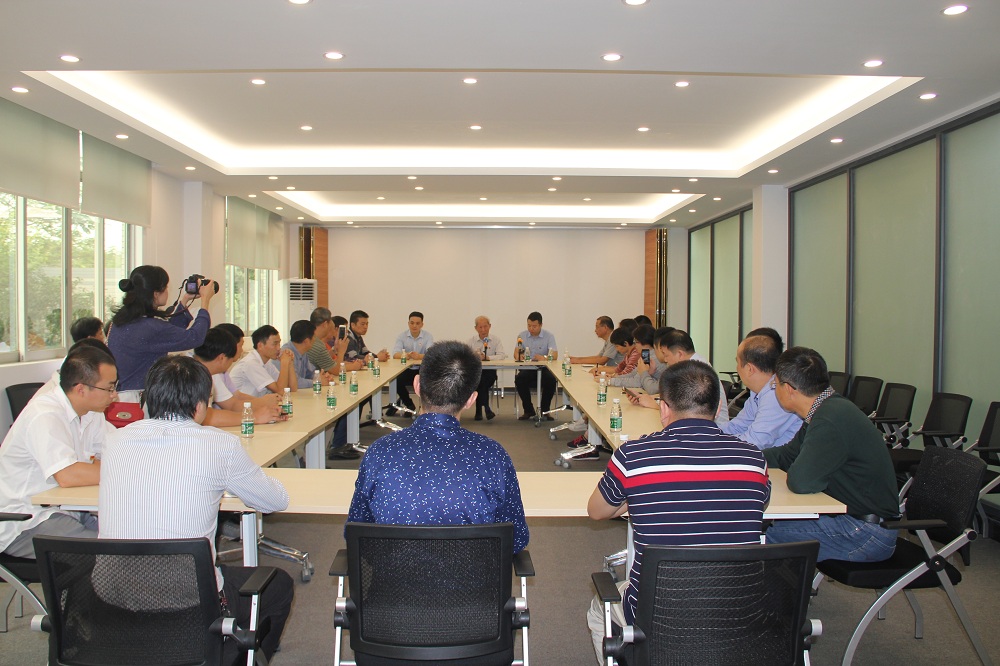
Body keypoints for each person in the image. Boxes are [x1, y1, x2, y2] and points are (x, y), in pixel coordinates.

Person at [98, 355, 293, 663]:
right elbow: (274, 501)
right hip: (189, 599)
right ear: (201, 406)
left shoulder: (115, 442)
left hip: (112, 595)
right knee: (278, 584)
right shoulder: (219, 445)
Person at [585, 360, 770, 665]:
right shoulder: (753, 458)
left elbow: (597, 511)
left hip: (657, 611)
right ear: (717, 407)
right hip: (738, 608)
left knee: (597, 610)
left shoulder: (634, 456)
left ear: (663, 408)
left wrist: (635, 497)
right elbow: (759, 503)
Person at [347, 341, 528, 553]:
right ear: (471, 400)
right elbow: (516, 539)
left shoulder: (380, 452)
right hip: (471, 574)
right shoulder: (492, 455)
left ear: (417, 385)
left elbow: (356, 533)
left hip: (393, 572)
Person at [763, 347, 900, 562]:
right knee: (773, 525)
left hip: (865, 532)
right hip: (854, 521)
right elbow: (787, 456)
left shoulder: (829, 419)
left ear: (788, 389)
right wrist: (744, 457)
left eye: (775, 384)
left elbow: (801, 482)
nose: (775, 390)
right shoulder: (826, 409)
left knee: (764, 536)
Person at [0, 345, 116, 558]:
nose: (114, 395)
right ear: (81, 389)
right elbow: (68, 475)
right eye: (109, 388)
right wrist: (123, 469)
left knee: (127, 536)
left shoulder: (91, 412)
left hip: (67, 510)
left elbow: (117, 451)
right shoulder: (45, 414)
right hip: (26, 521)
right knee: (113, 554)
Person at [107, 265, 215, 401]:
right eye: (166, 287)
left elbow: (167, 334)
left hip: (122, 396)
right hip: (137, 400)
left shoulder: (123, 321)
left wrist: (185, 300)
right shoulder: (150, 327)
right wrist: (205, 302)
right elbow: (195, 338)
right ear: (156, 294)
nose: (167, 292)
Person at [625, 328, 730, 426]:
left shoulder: (696, 371)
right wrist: (643, 397)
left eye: (666, 355)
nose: (665, 360)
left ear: (679, 354)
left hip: (713, 429)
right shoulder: (692, 365)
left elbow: (686, 409)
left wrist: (653, 403)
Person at [721, 334, 802, 449]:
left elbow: (755, 442)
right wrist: (707, 434)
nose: (737, 368)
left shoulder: (776, 394)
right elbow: (738, 425)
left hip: (780, 459)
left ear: (749, 369)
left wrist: (715, 444)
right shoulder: (758, 392)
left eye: (737, 362)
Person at [192, 328, 284, 427]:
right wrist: (255, 417)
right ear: (222, 358)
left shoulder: (209, 372)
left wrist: (265, 408)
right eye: (231, 360)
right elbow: (207, 417)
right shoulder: (193, 374)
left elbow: (232, 403)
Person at [513, 311, 558, 421]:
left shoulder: (549, 336)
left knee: (551, 380)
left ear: (541, 325)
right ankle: (528, 410)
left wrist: (544, 358)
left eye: (534, 326)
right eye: (529, 325)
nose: (531, 328)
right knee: (519, 379)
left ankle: (544, 410)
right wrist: (520, 356)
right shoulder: (522, 335)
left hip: (544, 369)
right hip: (528, 368)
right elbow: (516, 353)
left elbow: (555, 355)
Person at [229, 324, 296, 398]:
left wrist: (290, 362)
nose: (278, 348)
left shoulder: (267, 363)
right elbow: (281, 391)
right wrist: (284, 362)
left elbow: (292, 389)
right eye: (275, 344)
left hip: (254, 403)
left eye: (279, 343)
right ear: (260, 346)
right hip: (241, 404)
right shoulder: (251, 363)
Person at [390, 311, 434, 413]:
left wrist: (419, 356)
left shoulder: (428, 336)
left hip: (421, 370)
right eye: (412, 323)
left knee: (428, 382)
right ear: (408, 323)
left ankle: (425, 409)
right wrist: (406, 355)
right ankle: (409, 404)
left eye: (417, 323)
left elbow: (431, 354)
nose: (414, 326)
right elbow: (395, 354)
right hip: (406, 369)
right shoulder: (402, 336)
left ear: (422, 324)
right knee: (395, 381)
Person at [466, 315, 506, 421]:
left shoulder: (496, 340)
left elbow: (502, 355)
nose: (483, 330)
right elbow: (465, 357)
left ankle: (479, 410)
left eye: (485, 326)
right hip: (476, 372)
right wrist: (475, 357)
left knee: (482, 381)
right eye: (480, 327)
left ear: (490, 326)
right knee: (479, 381)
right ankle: (487, 409)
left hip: (490, 372)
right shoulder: (471, 341)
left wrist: (488, 358)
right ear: (476, 328)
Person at [281, 319, 333, 389]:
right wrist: (317, 382)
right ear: (306, 341)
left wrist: (322, 377)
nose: (315, 339)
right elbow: (294, 383)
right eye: (314, 337)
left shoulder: (303, 351)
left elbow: (310, 373)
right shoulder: (286, 353)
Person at [306, 307, 349, 373]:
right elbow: (337, 371)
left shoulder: (310, 338)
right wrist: (341, 352)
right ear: (325, 324)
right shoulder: (317, 345)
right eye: (330, 321)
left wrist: (335, 349)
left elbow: (323, 359)